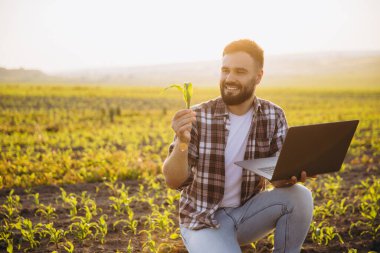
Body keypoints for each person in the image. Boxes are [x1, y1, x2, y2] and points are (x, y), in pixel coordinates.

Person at [162, 39, 314, 253]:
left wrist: (289, 177)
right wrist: (182, 142)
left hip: (247, 215)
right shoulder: (199, 116)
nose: (230, 78)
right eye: (225, 70)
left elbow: (277, 178)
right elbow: (172, 180)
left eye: (240, 72)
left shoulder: (273, 115)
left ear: (258, 76)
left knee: (300, 196)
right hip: (202, 220)